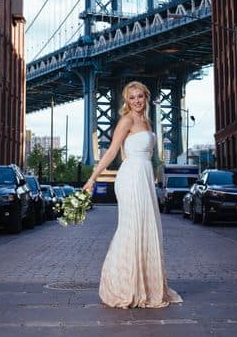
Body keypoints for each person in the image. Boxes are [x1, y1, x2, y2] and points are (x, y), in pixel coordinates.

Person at [83, 80, 183, 308]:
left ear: (146, 97)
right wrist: (92, 177)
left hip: (145, 175)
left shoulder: (147, 121)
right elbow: (110, 152)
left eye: (140, 96)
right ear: (126, 101)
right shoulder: (127, 120)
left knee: (147, 229)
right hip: (131, 177)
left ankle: (146, 286)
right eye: (132, 98)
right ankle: (123, 285)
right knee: (132, 228)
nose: (137, 101)